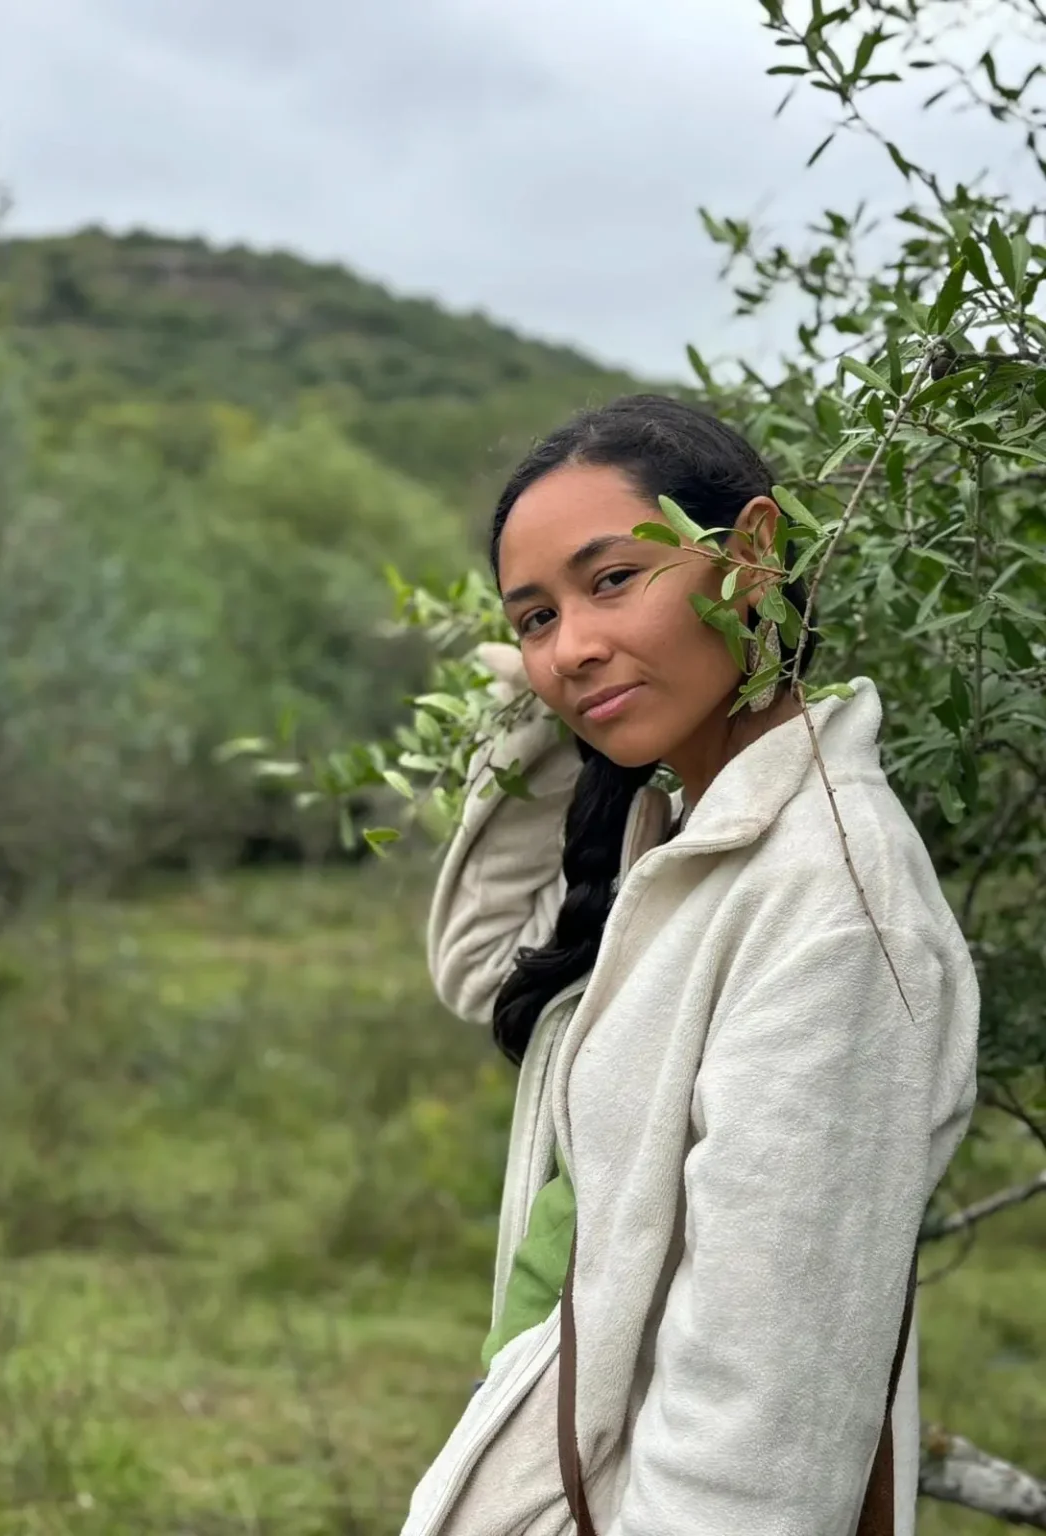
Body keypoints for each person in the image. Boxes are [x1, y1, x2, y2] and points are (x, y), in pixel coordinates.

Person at [400, 394, 978, 1536]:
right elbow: (485, 966)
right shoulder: (676, 832)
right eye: (534, 618)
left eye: (613, 579)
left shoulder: (835, 907)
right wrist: (542, 702)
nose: (570, 644)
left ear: (749, 556)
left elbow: (756, 1430)